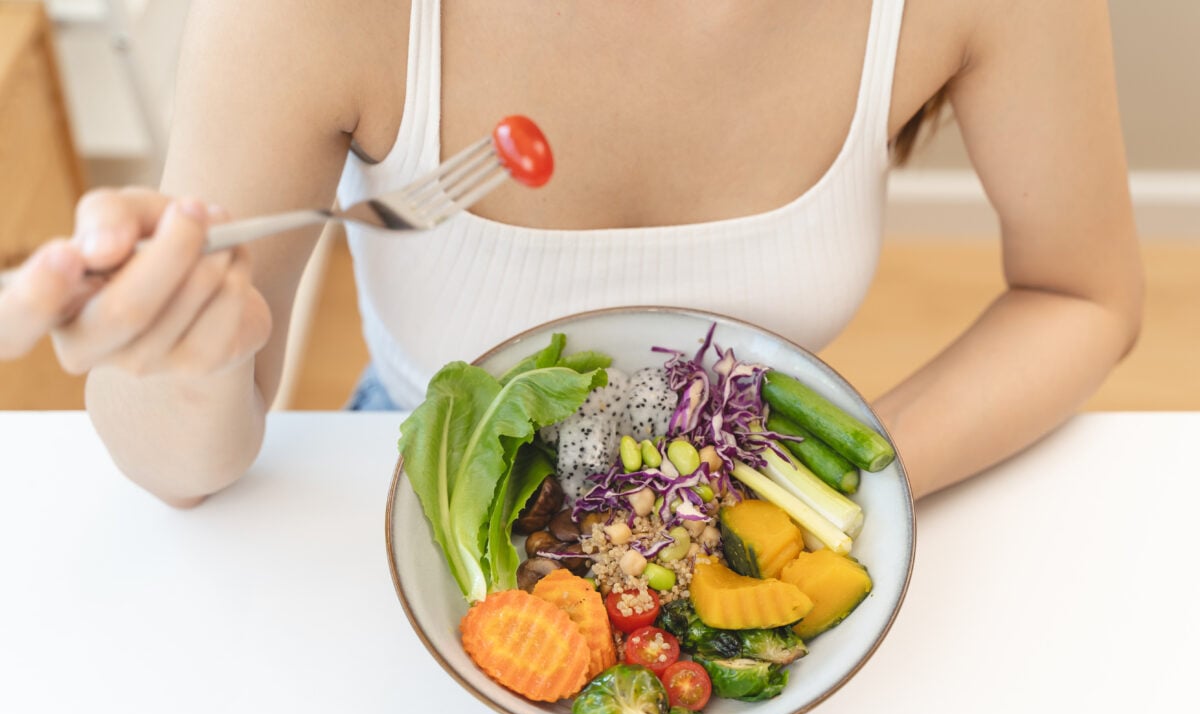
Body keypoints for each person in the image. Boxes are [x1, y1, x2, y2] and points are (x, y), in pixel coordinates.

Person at [0, 0, 1142, 508]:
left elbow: (1082, 292)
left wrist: (831, 483)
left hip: (746, 492)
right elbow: (182, 469)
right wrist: (182, 361)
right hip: (412, 503)